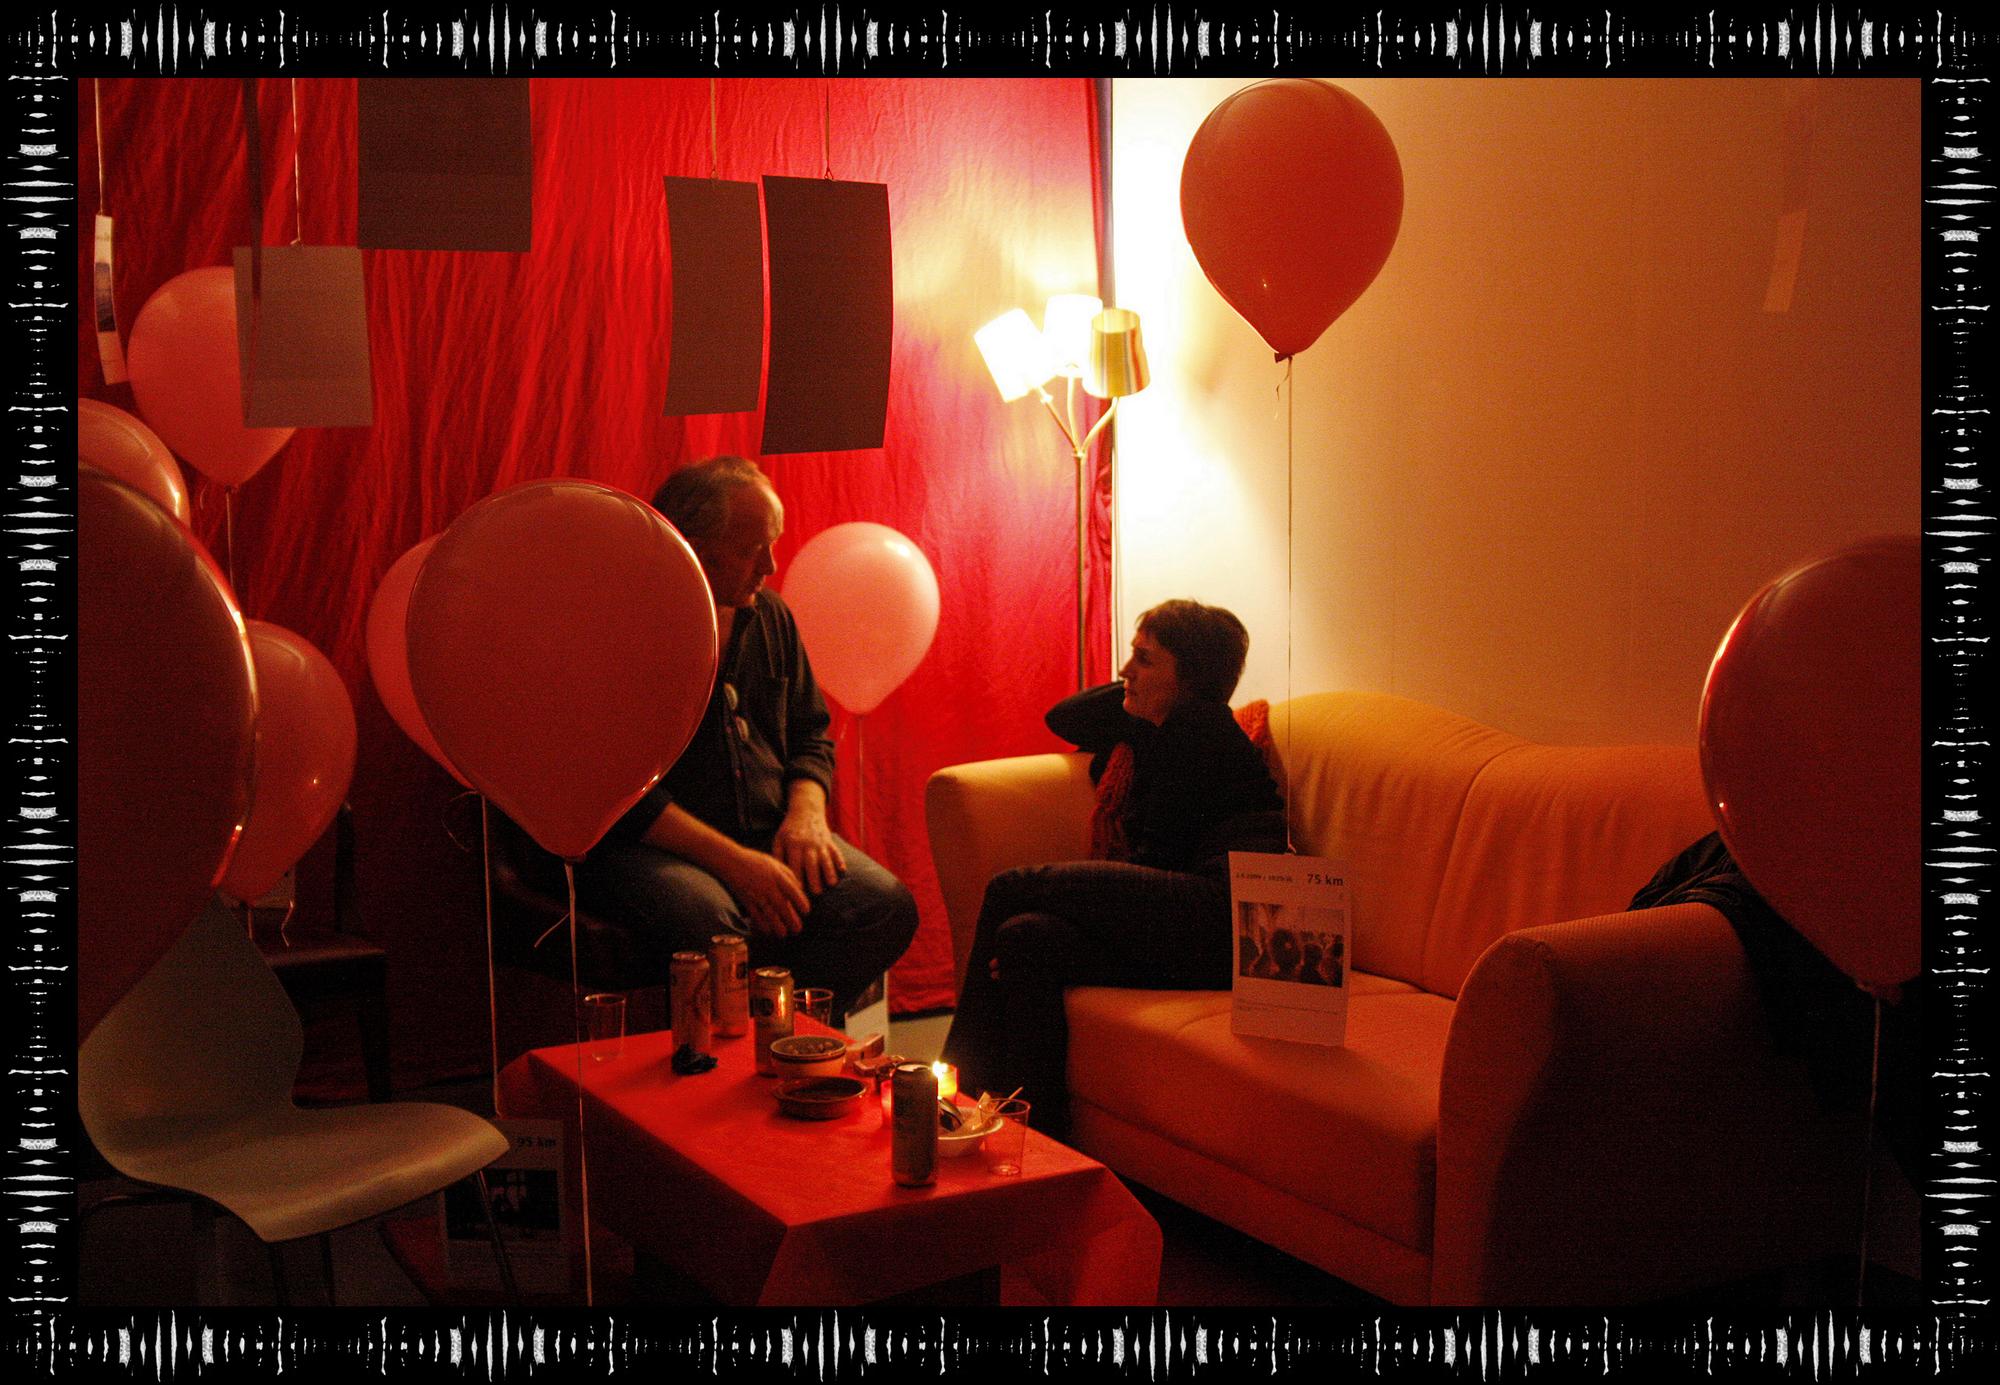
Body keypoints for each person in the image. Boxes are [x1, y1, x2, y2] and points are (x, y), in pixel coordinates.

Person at [508, 456, 917, 1019]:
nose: (770, 565)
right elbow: (614, 789)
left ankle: (782, 1034)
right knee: (715, 928)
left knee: (883, 906)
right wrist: (736, 864)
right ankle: (738, 1047)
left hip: (767, 830)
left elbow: (811, 734)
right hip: (651, 845)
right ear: (695, 551)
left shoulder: (770, 615)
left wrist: (806, 815)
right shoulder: (620, 632)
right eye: (753, 550)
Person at [940, 599, 1286, 1140]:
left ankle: (950, 1097)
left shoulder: (1201, 733)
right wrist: (1140, 691)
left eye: (1144, 660)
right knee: (1026, 940)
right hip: (1190, 918)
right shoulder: (1159, 727)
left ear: (1190, 679)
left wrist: (1088, 909)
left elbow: (1158, 863)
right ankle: (1036, 1135)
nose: (1126, 669)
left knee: (1012, 889)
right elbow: (1065, 717)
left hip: (1225, 919)